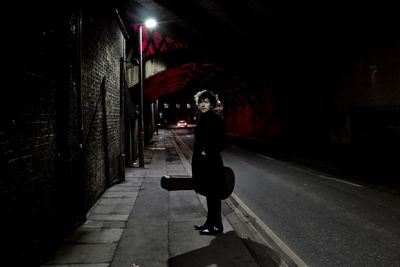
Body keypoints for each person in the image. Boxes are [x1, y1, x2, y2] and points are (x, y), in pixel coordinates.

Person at [192, 89, 225, 235]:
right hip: (202, 162)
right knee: (209, 194)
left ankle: (215, 226)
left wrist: (207, 152)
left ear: (211, 104)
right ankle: (211, 223)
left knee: (213, 195)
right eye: (201, 102)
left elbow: (222, 142)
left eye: (206, 102)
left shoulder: (215, 118)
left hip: (211, 163)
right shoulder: (202, 117)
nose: (203, 104)